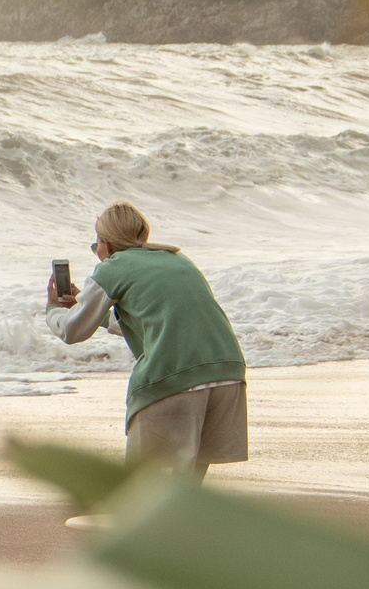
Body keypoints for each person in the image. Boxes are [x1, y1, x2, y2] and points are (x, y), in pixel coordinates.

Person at [47, 201, 247, 478]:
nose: (98, 253)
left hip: (175, 375)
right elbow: (151, 319)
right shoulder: (178, 259)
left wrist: (53, 310)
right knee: (187, 489)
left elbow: (72, 331)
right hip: (228, 371)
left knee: (139, 487)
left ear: (106, 243)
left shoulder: (113, 267)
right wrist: (90, 306)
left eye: (97, 245)